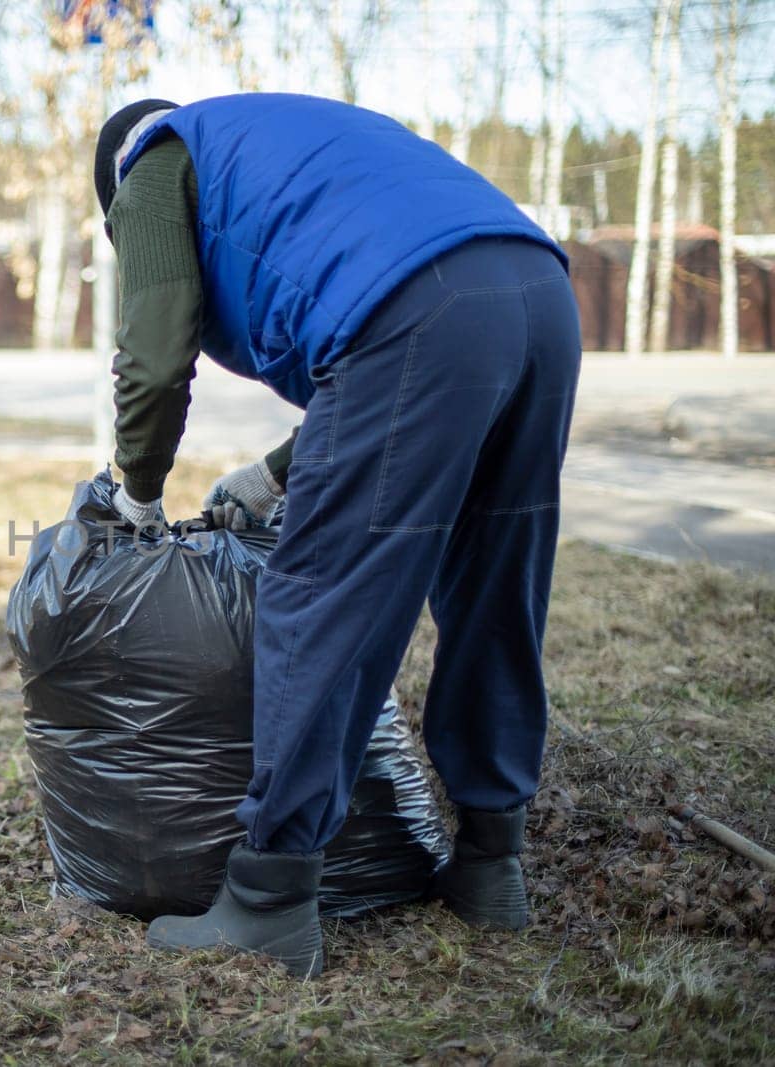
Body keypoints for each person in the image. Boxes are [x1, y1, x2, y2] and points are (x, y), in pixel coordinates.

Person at [95, 95, 581, 977]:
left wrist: (137, 490)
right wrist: (278, 470)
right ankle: (489, 863)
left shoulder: (152, 163)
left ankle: (271, 896)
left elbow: (156, 356)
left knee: (323, 592)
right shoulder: (281, 141)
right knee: (494, 587)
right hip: (542, 293)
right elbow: (374, 379)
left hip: (420, 310)